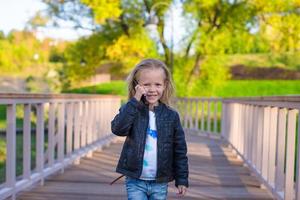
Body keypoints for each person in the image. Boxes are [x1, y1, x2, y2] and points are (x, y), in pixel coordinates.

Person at [111, 58, 189, 200]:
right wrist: (135, 100)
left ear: (165, 85)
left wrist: (182, 179)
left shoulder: (171, 116)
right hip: (135, 180)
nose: (152, 89)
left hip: (160, 181)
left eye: (157, 84)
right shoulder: (132, 109)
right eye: (146, 85)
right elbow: (118, 129)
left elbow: (180, 150)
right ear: (137, 86)